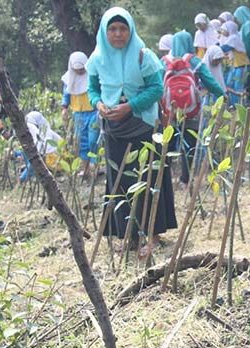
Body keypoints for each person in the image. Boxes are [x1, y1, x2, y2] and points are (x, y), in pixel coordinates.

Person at [87, 6, 176, 256]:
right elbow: (92, 88)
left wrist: (130, 106)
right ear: (105, 32)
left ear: (130, 30)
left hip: (143, 125)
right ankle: (129, 236)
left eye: (122, 29)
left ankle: (154, 235)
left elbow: (156, 89)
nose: (117, 34)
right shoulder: (97, 58)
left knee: (147, 177)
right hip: (113, 128)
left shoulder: (142, 55)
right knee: (120, 180)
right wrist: (99, 104)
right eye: (112, 29)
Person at [167, 31, 226, 185]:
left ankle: (165, 178)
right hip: (191, 110)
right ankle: (185, 178)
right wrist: (222, 95)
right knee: (189, 143)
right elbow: (210, 82)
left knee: (167, 144)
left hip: (169, 112)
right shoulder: (194, 61)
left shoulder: (164, 62)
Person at [61, 51, 99, 178]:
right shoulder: (68, 79)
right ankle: (86, 169)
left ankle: (95, 166)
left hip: (94, 112)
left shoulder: (93, 75)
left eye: (82, 69)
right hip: (78, 114)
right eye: (77, 70)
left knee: (93, 140)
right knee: (81, 141)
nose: (80, 72)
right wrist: (64, 108)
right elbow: (66, 95)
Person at [219, 21, 250, 106]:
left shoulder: (234, 38)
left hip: (242, 65)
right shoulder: (232, 38)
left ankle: (238, 106)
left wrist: (214, 49)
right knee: (231, 85)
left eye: (224, 30)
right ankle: (234, 105)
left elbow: (225, 48)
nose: (223, 32)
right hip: (237, 66)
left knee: (238, 87)